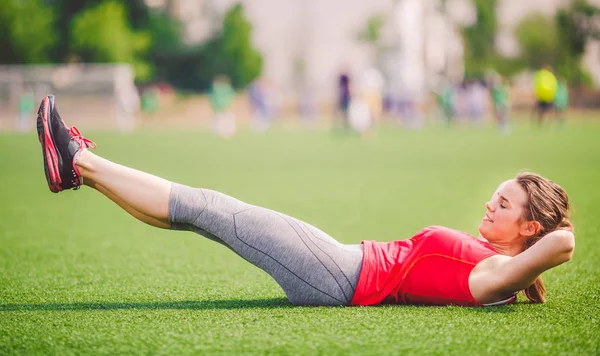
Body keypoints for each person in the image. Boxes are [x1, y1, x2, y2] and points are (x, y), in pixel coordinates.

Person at [36, 95, 575, 307]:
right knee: (206, 215)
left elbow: (561, 245)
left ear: (530, 229)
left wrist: (555, 237)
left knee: (211, 208)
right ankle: (78, 168)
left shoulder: (494, 278)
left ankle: (78, 159)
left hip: (340, 276)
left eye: (503, 204)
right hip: (341, 263)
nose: (488, 205)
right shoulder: (495, 268)